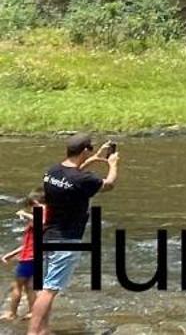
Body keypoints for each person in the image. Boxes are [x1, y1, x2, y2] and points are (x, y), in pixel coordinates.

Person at [28, 136, 117, 335]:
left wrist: (95, 157)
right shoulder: (83, 179)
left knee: (47, 285)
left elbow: (73, 174)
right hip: (66, 238)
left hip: (49, 235)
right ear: (84, 150)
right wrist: (112, 164)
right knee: (50, 289)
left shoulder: (52, 171)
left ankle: (43, 329)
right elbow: (109, 184)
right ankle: (34, 332)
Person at [4, 195, 43, 321]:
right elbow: (28, 243)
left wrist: (24, 214)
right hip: (33, 256)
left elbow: (41, 222)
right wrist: (11, 254)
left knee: (17, 285)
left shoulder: (42, 218)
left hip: (29, 258)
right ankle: (32, 311)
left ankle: (11, 313)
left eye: (32, 206)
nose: (31, 210)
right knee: (29, 286)